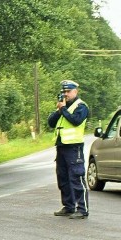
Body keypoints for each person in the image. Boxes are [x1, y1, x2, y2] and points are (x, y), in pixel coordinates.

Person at [48, 80, 89, 219]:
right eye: (64, 92)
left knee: (76, 178)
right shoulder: (63, 107)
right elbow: (51, 123)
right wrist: (60, 109)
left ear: (75, 91)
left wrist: (64, 109)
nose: (66, 94)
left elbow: (76, 121)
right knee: (63, 178)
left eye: (68, 92)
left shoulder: (81, 106)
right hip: (61, 147)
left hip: (74, 147)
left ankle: (82, 209)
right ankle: (69, 206)